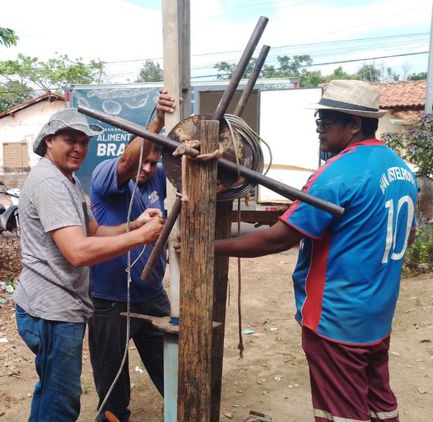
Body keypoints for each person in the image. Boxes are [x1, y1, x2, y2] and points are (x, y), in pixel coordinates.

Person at [179, 80, 417, 422]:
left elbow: (277, 240)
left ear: (354, 125)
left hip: (337, 319)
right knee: (380, 402)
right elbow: (404, 237)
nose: (318, 127)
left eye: (327, 121)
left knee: (342, 412)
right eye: (318, 119)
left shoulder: (337, 174)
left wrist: (202, 246)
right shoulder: (400, 169)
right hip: (377, 315)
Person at [12, 108, 165, 422]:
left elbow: (93, 232)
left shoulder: (66, 180)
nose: (79, 148)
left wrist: (134, 226)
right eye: (70, 140)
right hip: (51, 310)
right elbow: (78, 252)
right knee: (61, 404)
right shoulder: (49, 183)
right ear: (48, 141)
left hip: (60, 307)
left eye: (84, 142)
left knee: (52, 395)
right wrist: (141, 238)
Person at [87, 89, 178, 422]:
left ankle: (182, 411)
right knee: (113, 387)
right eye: (145, 158)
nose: (148, 167)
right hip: (110, 300)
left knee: (173, 370)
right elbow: (130, 162)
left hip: (152, 296)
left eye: (155, 162)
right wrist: (156, 120)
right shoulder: (107, 177)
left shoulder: (157, 185)